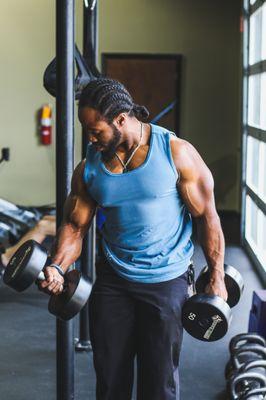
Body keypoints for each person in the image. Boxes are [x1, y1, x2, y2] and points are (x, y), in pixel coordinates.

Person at [40, 78, 228, 400]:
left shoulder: (175, 153)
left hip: (166, 279)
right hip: (114, 280)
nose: (91, 138)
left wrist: (218, 275)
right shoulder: (90, 168)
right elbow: (74, 227)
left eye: (96, 130)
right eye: (87, 130)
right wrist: (57, 266)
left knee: (159, 383)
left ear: (121, 119)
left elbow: (207, 215)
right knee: (110, 378)